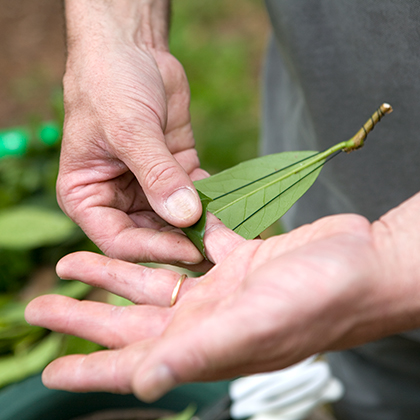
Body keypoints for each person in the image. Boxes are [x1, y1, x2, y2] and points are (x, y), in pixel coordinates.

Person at [25, 1, 420, 419]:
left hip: (359, 262)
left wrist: (393, 259)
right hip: (337, 228)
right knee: (373, 391)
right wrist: (120, 40)